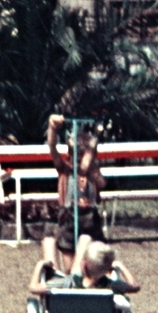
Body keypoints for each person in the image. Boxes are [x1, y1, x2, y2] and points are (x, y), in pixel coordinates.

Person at [46, 113, 105, 275]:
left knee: (94, 262)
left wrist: (92, 166)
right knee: (69, 267)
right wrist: (52, 128)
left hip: (90, 218)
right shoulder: (65, 169)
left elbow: (102, 184)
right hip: (69, 217)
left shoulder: (93, 173)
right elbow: (52, 147)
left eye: (88, 154)